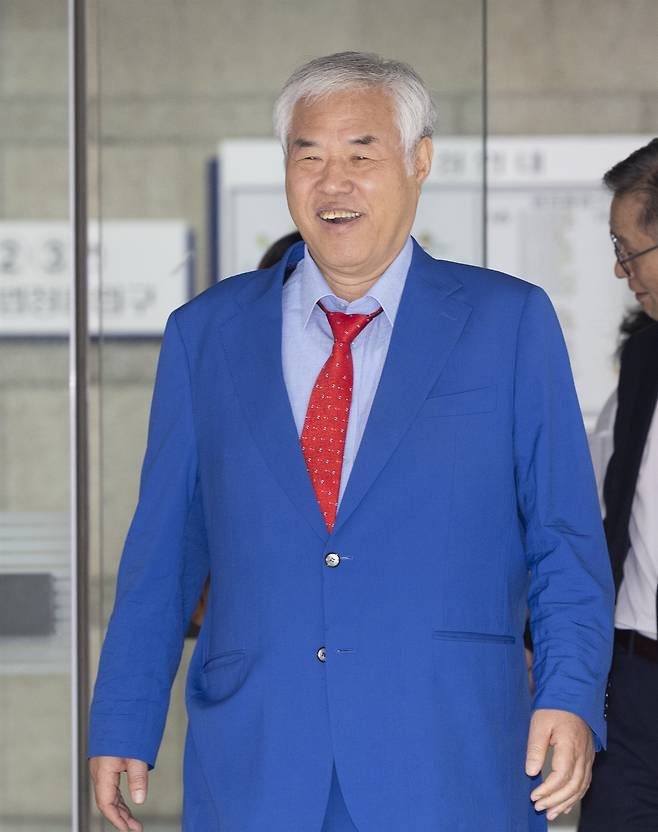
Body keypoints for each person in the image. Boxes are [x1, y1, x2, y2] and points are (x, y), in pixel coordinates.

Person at [88, 52, 614, 832]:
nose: (332, 183)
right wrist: (123, 718)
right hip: (260, 755)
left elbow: (563, 538)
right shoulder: (207, 334)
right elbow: (162, 549)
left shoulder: (508, 322)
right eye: (309, 156)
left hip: (449, 750)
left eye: (361, 155)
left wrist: (569, 694)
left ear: (419, 161)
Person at [579, 138, 658, 832]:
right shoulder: (644, 357)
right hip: (634, 680)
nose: (620, 269)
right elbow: (610, 517)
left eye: (629, 250)